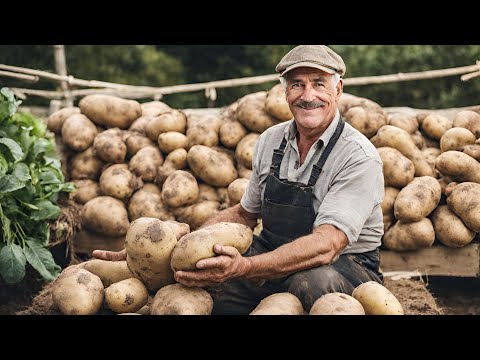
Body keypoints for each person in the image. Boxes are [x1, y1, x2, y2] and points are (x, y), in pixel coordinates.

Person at [93, 45, 385, 315]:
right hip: (272, 253)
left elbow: (327, 244)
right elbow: (244, 214)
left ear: (338, 90)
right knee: (199, 277)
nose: (308, 96)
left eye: (319, 83)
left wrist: (245, 266)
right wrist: (167, 248)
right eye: (297, 84)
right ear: (285, 92)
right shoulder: (271, 140)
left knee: (311, 284)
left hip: (346, 264)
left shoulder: (358, 156)